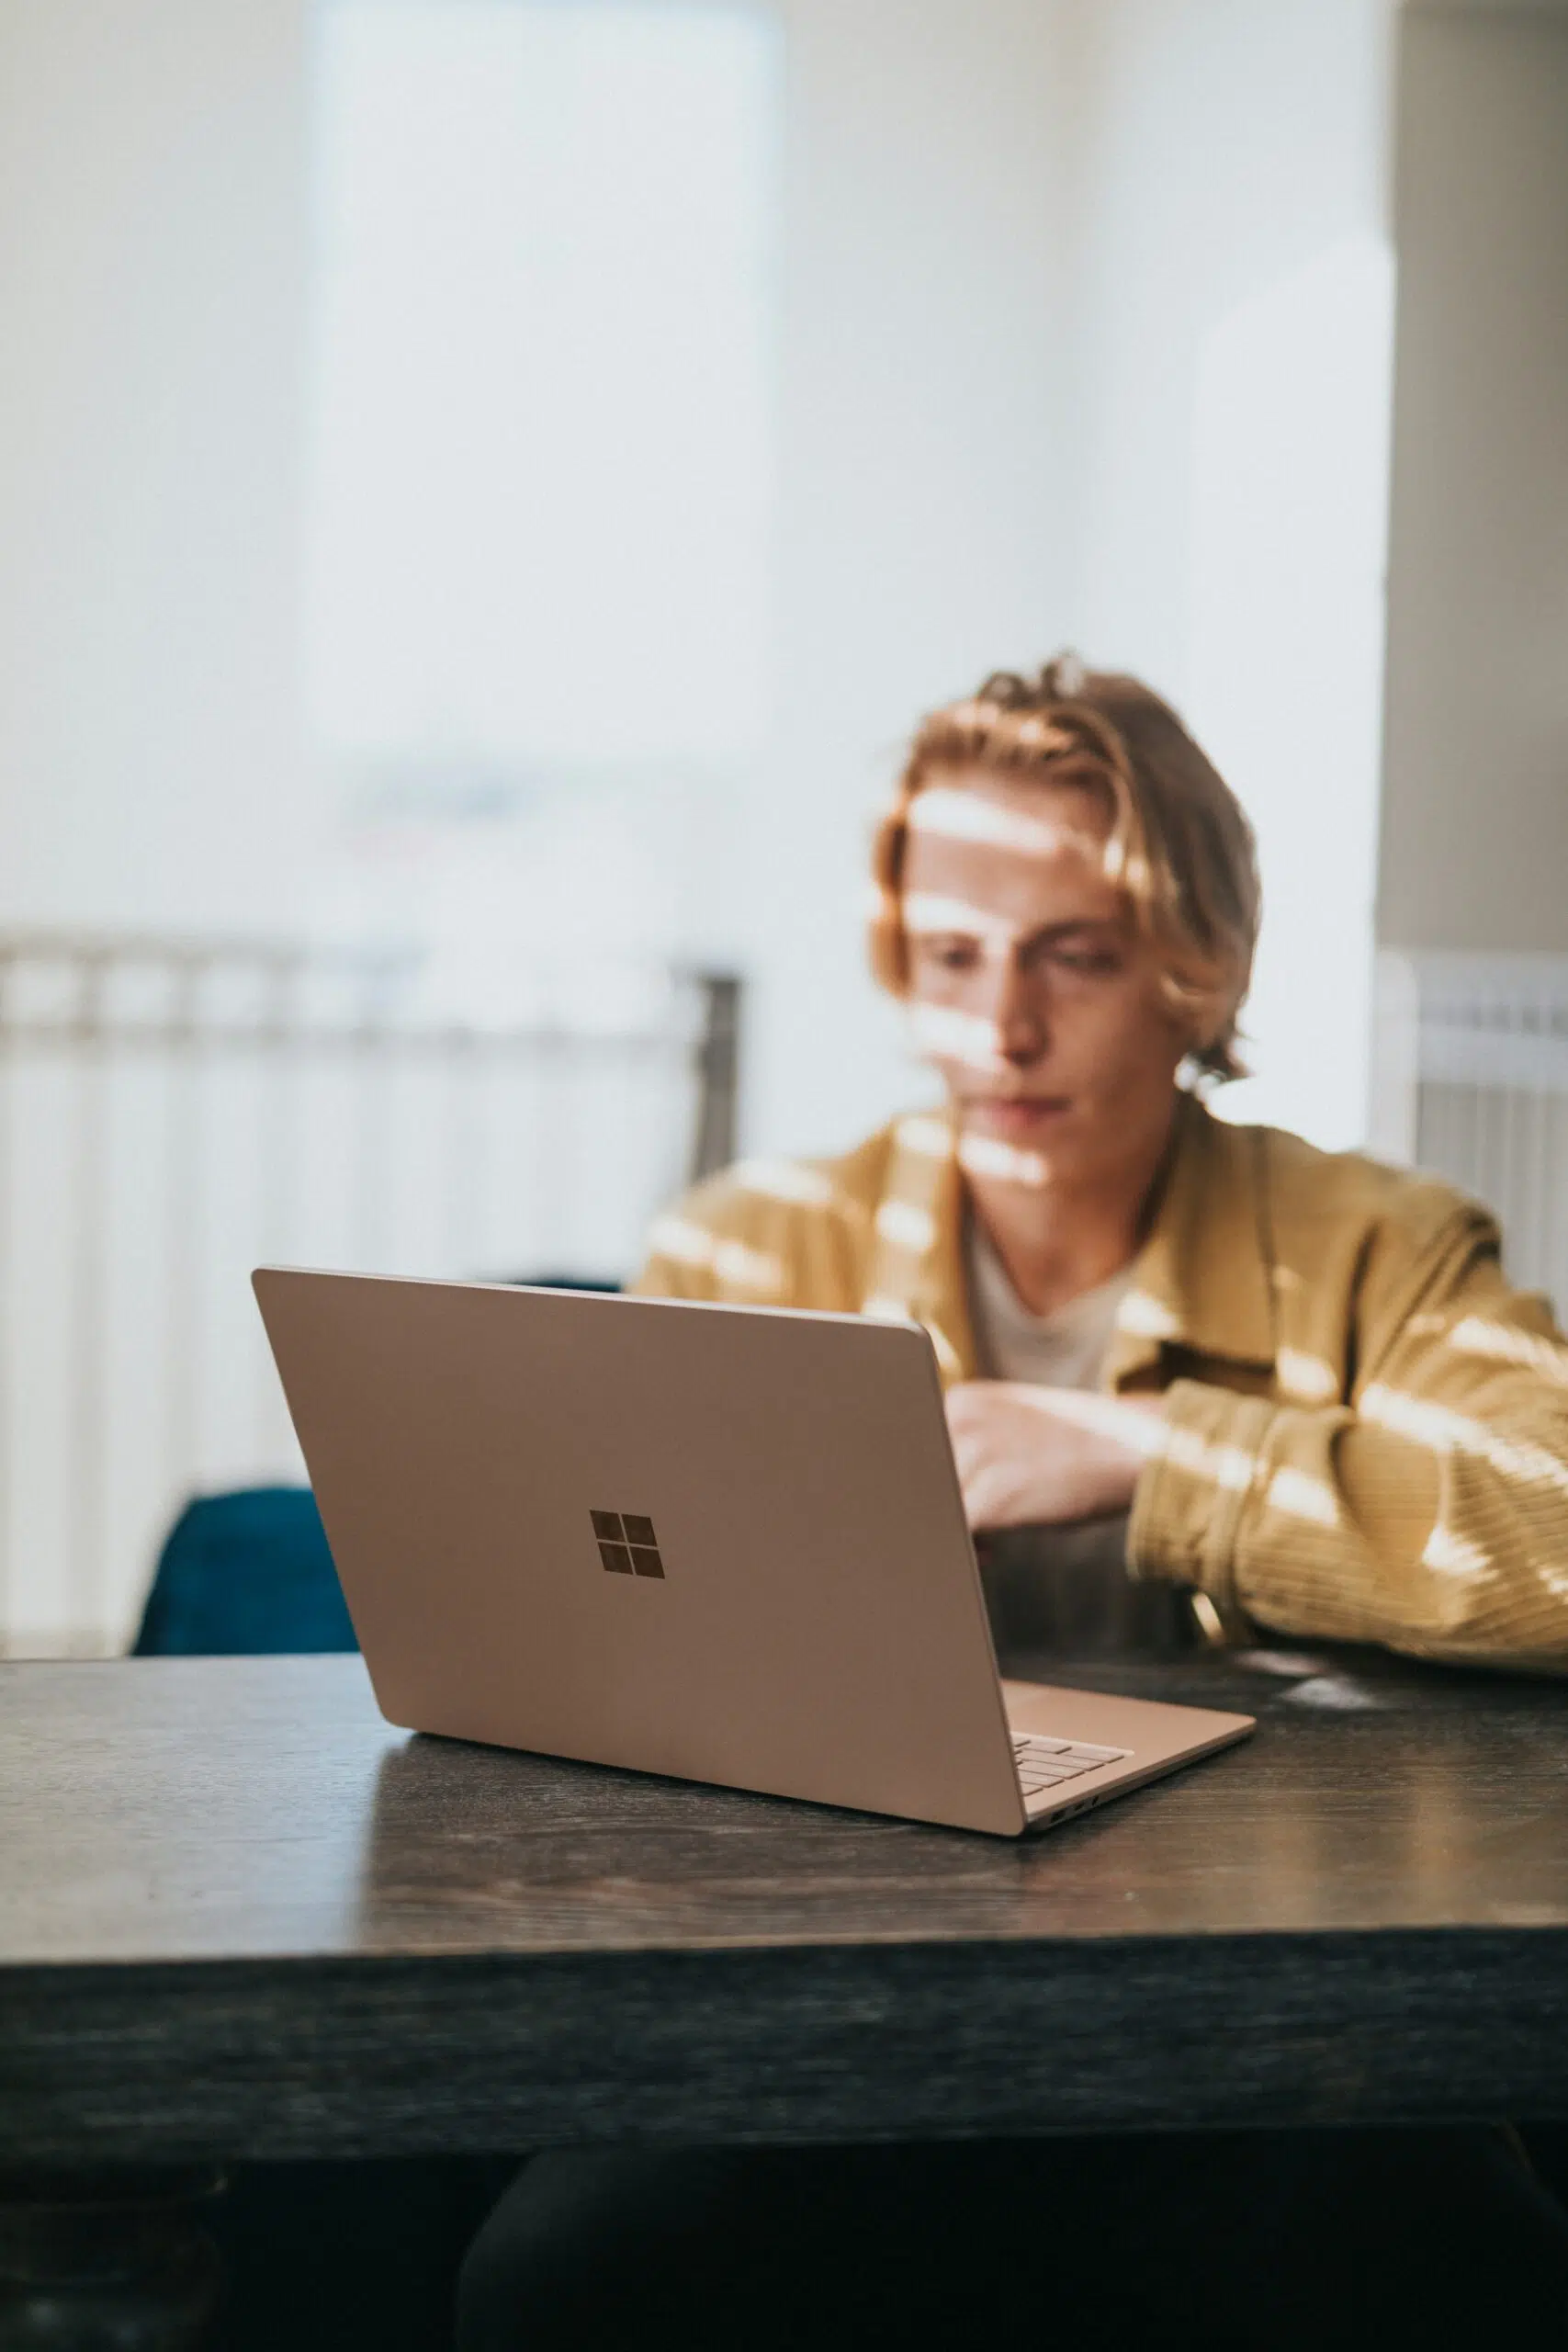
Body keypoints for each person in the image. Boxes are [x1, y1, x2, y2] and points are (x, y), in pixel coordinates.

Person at [457, 659, 1568, 2349]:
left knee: (1448, 2253)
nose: (1002, 1032)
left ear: (1196, 970)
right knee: (561, 2274)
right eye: (953, 961)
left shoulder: (1381, 1246)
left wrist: (1152, 1459)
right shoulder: (748, 1251)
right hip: (837, 1999)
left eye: (1077, 957)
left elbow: (1549, 1533)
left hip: (1271, 2000)